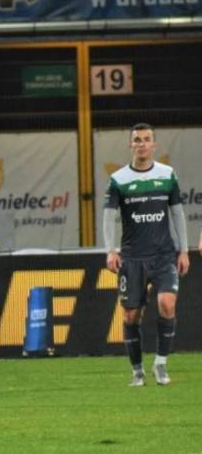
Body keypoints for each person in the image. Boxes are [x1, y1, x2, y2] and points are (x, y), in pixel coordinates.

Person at [103, 123, 189, 387]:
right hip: (132, 258)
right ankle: (137, 371)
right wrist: (110, 250)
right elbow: (108, 216)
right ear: (130, 145)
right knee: (131, 316)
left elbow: (177, 213)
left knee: (167, 304)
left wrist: (184, 250)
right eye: (137, 140)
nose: (141, 144)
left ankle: (160, 364)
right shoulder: (118, 179)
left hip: (163, 255)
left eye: (146, 139)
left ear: (154, 144)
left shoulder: (167, 174)